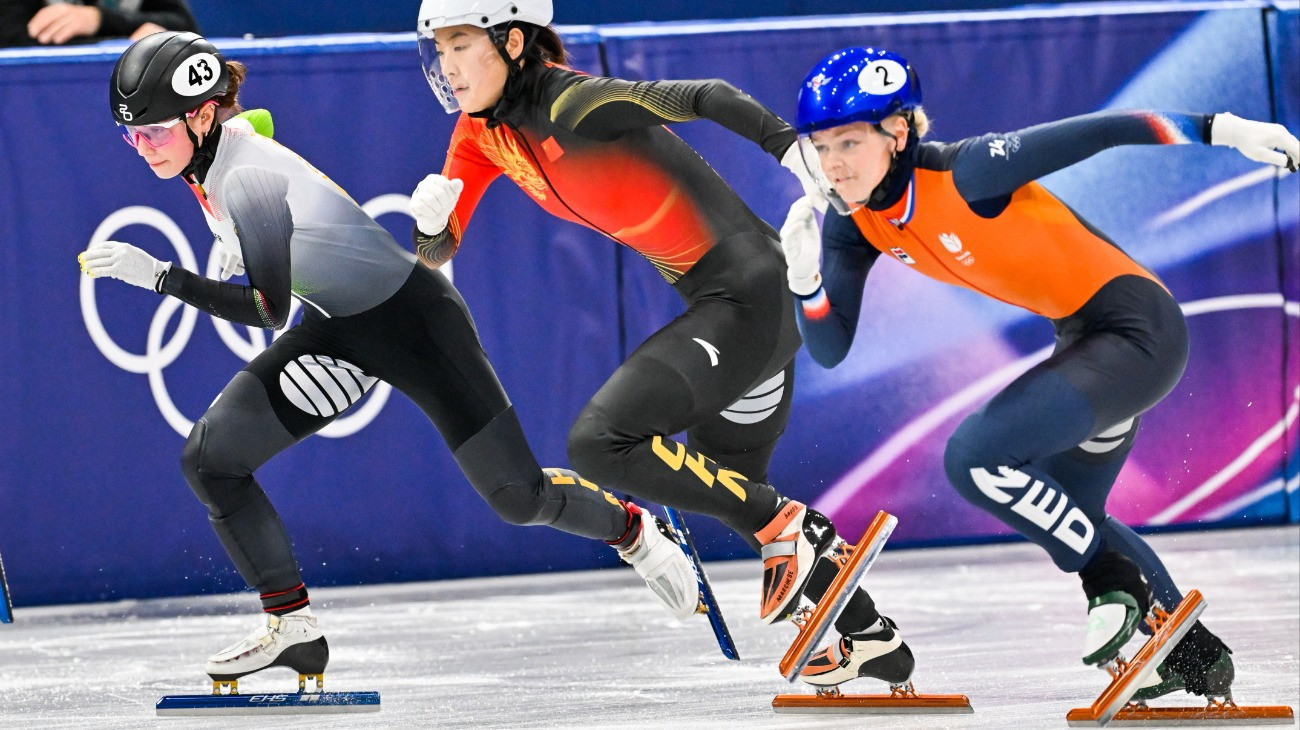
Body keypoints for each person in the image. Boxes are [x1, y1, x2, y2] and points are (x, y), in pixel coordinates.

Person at [78, 31, 696, 691]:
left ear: (201, 116)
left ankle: (633, 530)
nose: (144, 148)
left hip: (416, 325)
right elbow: (255, 124)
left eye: (154, 132)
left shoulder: (243, 178)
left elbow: (266, 309)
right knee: (210, 459)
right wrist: (248, 236)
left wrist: (162, 277)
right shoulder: (216, 148)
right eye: (131, 136)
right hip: (340, 326)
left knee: (519, 498)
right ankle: (293, 628)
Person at [410, 0, 915, 691]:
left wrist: (790, 151)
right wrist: (430, 226)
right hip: (734, 312)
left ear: (513, 41)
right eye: (439, 49)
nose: (447, 64)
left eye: (461, 44)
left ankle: (792, 530)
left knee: (600, 442)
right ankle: (873, 640)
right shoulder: (478, 134)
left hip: (750, 298)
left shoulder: (572, 102)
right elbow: (439, 248)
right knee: (732, 489)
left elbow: (708, 95)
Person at [779, 46, 1299, 700]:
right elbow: (829, 348)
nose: (833, 163)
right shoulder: (852, 225)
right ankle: (1195, 658)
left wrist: (1227, 130)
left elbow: (1104, 130)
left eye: (850, 143)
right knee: (1073, 512)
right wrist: (805, 282)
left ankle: (1109, 580)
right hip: (1085, 342)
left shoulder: (968, 171)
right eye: (821, 146)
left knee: (975, 457)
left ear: (900, 133)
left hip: (1138, 333)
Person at [0, 0, 199, 48]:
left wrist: (100, 19)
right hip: (40, 99)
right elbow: (12, 41)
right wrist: (122, 45)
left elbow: (186, 29)